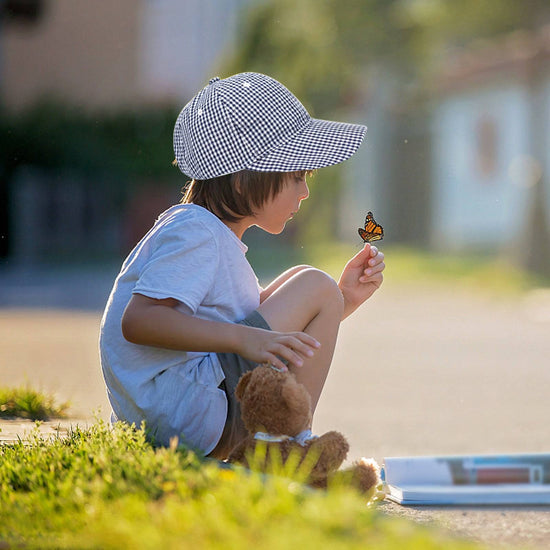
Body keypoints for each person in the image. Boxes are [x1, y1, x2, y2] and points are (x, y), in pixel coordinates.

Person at [99, 72, 385, 459]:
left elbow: (268, 333)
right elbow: (139, 321)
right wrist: (243, 338)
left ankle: (282, 447)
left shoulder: (209, 235)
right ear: (241, 178)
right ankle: (288, 449)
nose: (305, 191)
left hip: (184, 407)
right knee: (313, 284)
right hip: (186, 411)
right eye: (296, 175)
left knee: (308, 282)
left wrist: (342, 299)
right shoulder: (195, 231)